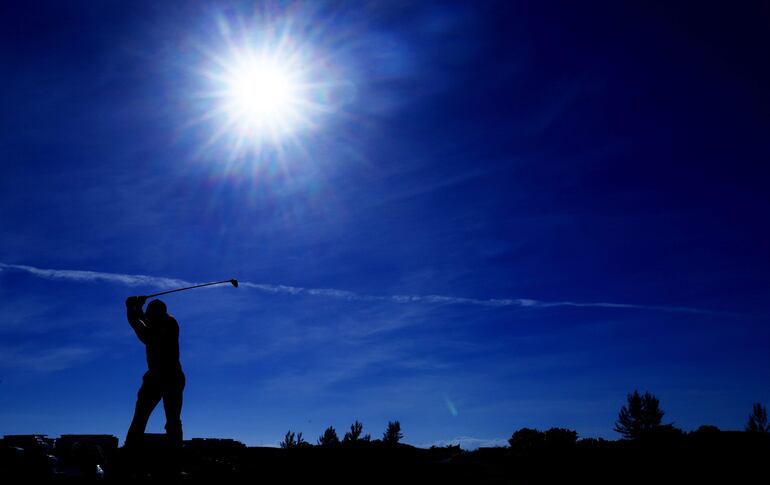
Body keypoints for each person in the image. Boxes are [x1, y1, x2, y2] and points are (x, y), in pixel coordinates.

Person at [124, 296, 186, 452]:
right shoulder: (160, 322)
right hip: (156, 377)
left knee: (172, 420)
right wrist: (134, 309)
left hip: (171, 377)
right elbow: (141, 322)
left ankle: (175, 456)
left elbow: (143, 328)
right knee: (140, 418)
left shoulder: (170, 324)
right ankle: (130, 453)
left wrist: (134, 309)